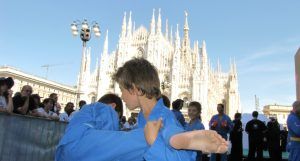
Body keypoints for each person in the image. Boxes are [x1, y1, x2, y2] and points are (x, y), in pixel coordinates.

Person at [56, 58, 228, 161]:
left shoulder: (160, 115)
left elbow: (168, 127)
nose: (121, 96)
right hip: (159, 140)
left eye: (123, 90)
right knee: (152, 136)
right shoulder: (145, 116)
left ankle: (176, 139)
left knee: (72, 146)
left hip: (163, 139)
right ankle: (176, 140)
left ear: (136, 89)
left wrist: (161, 140)